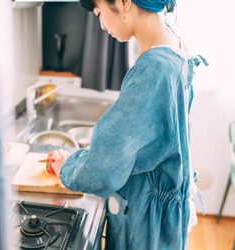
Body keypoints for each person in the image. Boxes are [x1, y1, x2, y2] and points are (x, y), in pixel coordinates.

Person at [51, 0, 207, 249]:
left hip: (145, 222)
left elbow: (101, 169)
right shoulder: (172, 43)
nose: (101, 24)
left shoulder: (153, 68)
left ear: (124, 2)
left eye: (99, 12)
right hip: (162, 213)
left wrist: (66, 167)